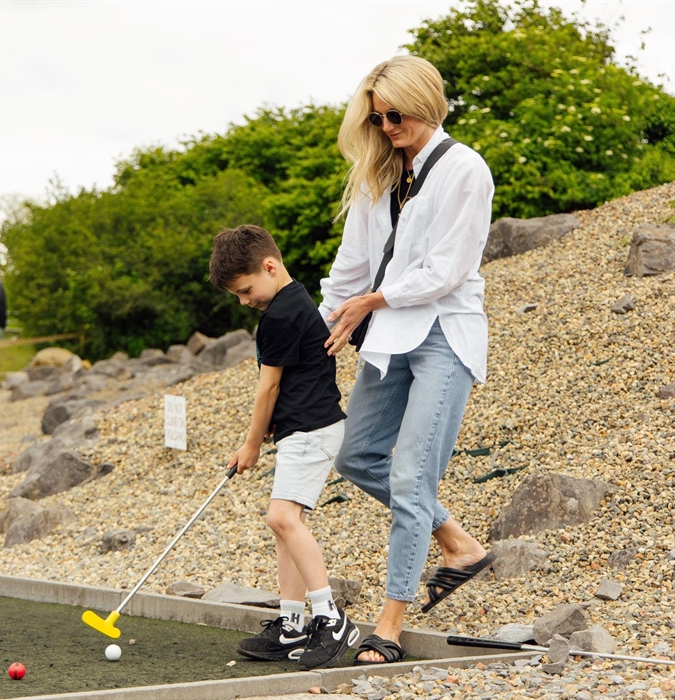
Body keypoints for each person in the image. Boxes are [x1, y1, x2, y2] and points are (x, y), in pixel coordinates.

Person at [318, 55, 496, 665]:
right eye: (377, 118)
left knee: (412, 479)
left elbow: (449, 269)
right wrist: (326, 320)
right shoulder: (381, 177)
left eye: (395, 114)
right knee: (358, 456)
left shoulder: (465, 169)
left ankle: (389, 626)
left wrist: (375, 298)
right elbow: (351, 266)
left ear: (426, 102)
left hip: (444, 333)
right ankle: (459, 544)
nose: (387, 126)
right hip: (389, 336)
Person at [209, 224, 359, 670]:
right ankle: (292, 621)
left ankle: (331, 619)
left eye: (246, 289)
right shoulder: (293, 304)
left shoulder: (278, 317)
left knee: (282, 516)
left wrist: (251, 443)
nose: (244, 300)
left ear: (269, 267)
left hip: (312, 429)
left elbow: (267, 388)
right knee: (284, 523)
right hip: (302, 427)